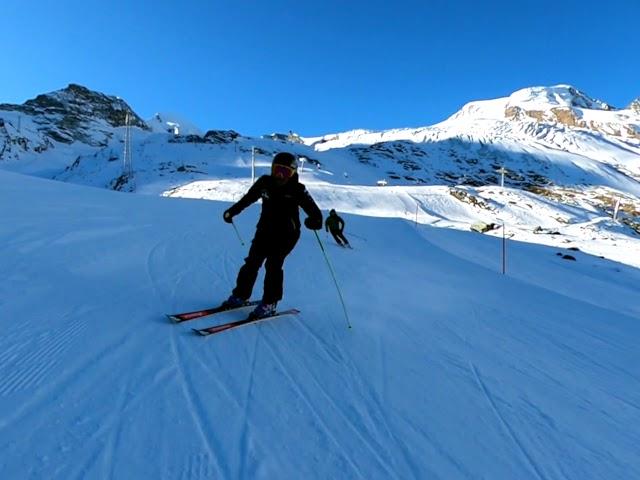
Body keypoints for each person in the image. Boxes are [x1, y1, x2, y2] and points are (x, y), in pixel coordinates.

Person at [221, 152, 323, 319]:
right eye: (277, 170)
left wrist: (314, 221)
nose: (281, 175)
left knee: (273, 265)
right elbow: (248, 199)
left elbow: (316, 214)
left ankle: (270, 302)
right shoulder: (264, 183)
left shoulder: (298, 189)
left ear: (293, 172)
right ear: (272, 170)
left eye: (286, 171)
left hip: (287, 234)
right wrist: (232, 212)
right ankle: (241, 295)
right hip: (264, 230)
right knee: (251, 264)